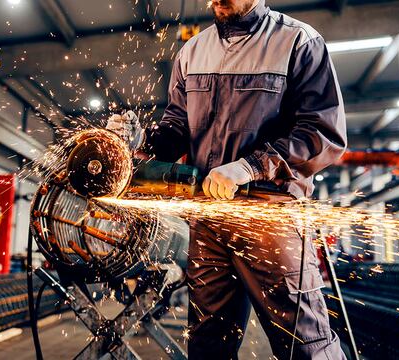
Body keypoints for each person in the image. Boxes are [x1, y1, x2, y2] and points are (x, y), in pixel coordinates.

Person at [106, 0, 347, 358]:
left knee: (304, 344)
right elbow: (176, 130)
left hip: (269, 218)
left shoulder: (297, 42)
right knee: (207, 344)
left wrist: (251, 166)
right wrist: (140, 140)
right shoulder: (192, 51)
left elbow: (323, 133)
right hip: (207, 219)